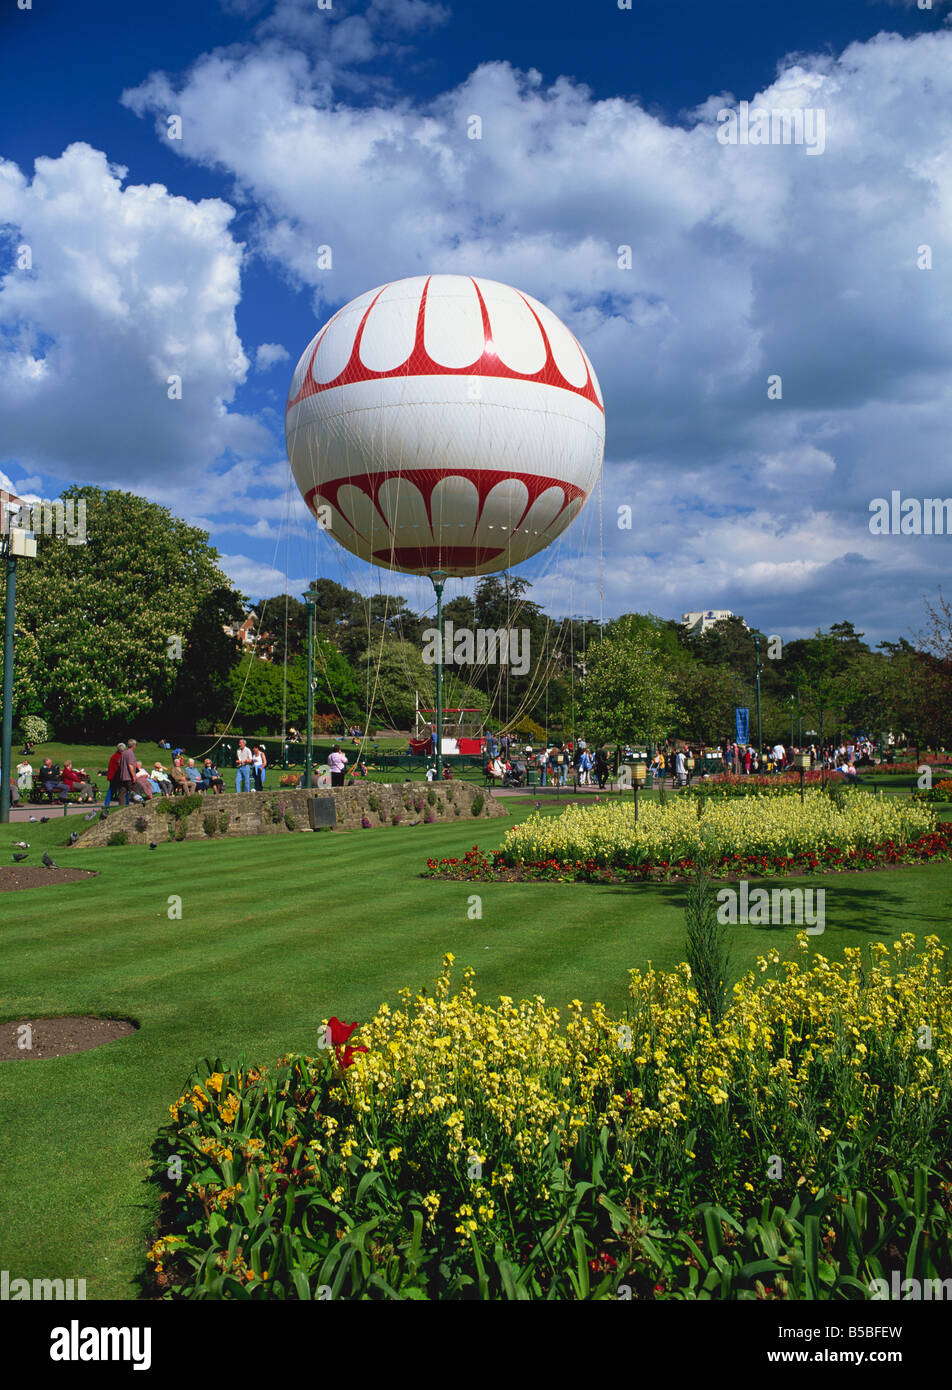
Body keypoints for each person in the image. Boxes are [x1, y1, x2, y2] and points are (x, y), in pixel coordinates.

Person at [103, 743, 125, 808]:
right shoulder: (119, 757)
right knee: (124, 790)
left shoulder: (114, 756)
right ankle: (126, 803)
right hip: (116, 777)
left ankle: (106, 804)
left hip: (112, 776)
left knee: (111, 790)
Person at [118, 740, 138, 805]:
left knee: (122, 793)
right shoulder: (130, 753)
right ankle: (137, 807)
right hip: (129, 777)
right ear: (133, 745)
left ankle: (121, 807)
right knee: (135, 792)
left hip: (123, 776)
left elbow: (119, 763)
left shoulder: (124, 753)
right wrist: (133, 776)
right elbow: (130, 765)